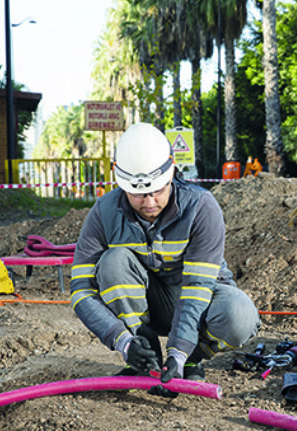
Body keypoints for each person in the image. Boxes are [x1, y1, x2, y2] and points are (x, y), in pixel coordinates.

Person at [70, 122, 261, 393]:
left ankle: (192, 360)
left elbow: (197, 288)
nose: (149, 203)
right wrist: (123, 341)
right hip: (148, 305)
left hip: (198, 301)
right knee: (114, 261)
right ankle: (144, 358)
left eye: (157, 190)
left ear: (172, 172)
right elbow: (81, 292)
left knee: (240, 315)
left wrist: (180, 353)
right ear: (121, 181)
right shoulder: (103, 212)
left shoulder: (200, 208)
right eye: (137, 194)